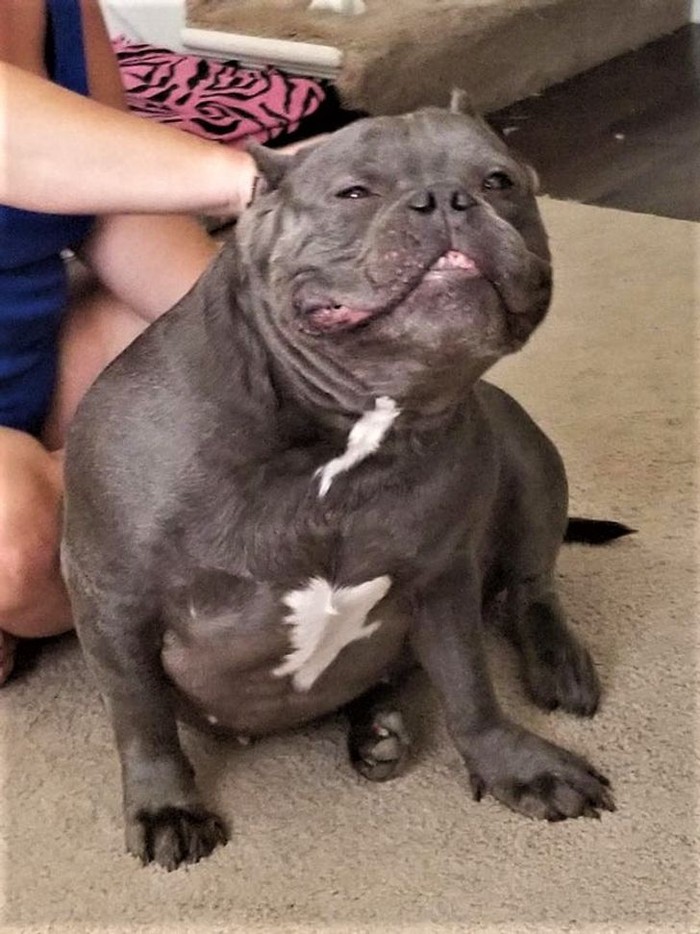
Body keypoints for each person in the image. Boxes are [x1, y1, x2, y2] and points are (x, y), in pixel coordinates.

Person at [0, 0, 292, 683]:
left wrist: (275, 341)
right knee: (18, 547)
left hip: (33, 358)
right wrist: (253, 179)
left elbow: (111, 202)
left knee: (262, 363)